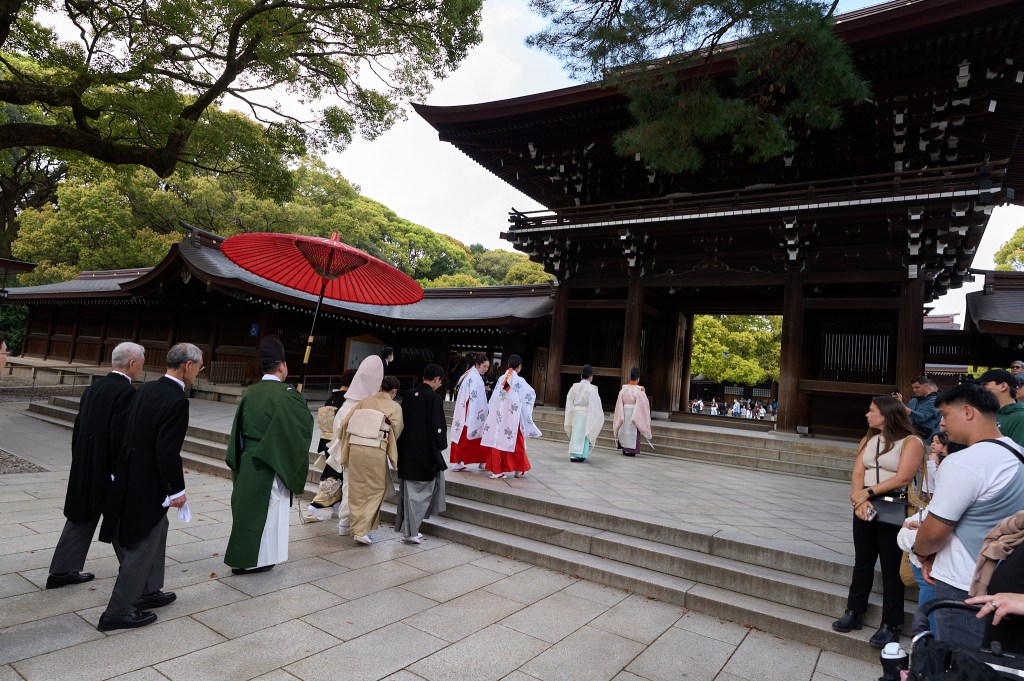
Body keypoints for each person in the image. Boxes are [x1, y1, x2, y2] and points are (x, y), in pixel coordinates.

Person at [97, 343, 202, 631]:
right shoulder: (177, 400)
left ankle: (148, 590)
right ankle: (117, 612)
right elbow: (167, 450)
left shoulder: (147, 389)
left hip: (129, 472)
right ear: (188, 365)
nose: (199, 372)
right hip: (148, 480)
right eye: (199, 366)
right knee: (143, 542)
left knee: (158, 530)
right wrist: (176, 491)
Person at [911, 383, 1024, 647]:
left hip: (964, 584)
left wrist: (921, 553)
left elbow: (933, 533)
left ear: (968, 412)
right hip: (1006, 580)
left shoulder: (963, 462)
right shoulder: (1017, 452)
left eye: (945, 415)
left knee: (962, 660)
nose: (941, 423)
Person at [47, 342, 145, 589]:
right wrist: (120, 472)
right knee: (123, 521)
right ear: (132, 363)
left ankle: (61, 570)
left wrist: (79, 459)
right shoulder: (126, 392)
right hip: (108, 468)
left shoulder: (94, 388)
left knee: (81, 516)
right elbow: (119, 437)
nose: (141, 368)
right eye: (141, 363)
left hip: (86, 462)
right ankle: (139, 579)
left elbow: (78, 428)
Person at [832, 395, 924, 648]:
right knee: (862, 561)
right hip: (865, 506)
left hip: (893, 507)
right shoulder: (868, 439)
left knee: (891, 568)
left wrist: (867, 493)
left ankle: (891, 623)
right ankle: (854, 611)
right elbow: (858, 472)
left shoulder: (911, 442)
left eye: (872, 411)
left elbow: (903, 477)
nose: (867, 414)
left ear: (886, 414)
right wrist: (859, 499)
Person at [224, 336, 314, 574]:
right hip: (271, 460)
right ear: (282, 366)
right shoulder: (287, 394)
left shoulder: (251, 392)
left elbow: (238, 429)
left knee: (247, 511)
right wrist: (299, 403)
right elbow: (301, 428)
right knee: (268, 513)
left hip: (247, 459)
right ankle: (256, 561)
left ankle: (241, 559)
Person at [335, 375, 404, 545]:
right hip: (375, 449)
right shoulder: (395, 407)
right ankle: (361, 530)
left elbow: (345, 423)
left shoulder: (365, 401)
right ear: (394, 391)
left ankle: (354, 527)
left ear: (380, 387)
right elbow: (396, 430)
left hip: (355, 447)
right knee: (376, 489)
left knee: (356, 488)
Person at [326, 355, 385, 536]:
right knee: (364, 490)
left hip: (349, 451)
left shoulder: (348, 404)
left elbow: (338, 430)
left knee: (349, 485)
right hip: (365, 451)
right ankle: (357, 526)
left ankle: (345, 523)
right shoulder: (369, 406)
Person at [395, 363, 448, 544]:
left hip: (407, 450)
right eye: (440, 381)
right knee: (421, 493)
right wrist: (441, 445)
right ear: (437, 379)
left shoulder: (409, 395)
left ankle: (409, 530)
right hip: (425, 452)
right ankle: (411, 532)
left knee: (408, 492)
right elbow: (438, 426)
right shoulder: (434, 398)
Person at [305, 367, 358, 522]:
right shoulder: (347, 401)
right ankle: (315, 506)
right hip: (338, 442)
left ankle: (336, 506)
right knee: (334, 475)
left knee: (335, 473)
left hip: (327, 441)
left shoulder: (332, 398)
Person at [481, 354, 541, 479]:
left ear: (508, 364)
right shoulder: (519, 381)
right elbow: (530, 395)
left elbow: (494, 398)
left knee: (496, 441)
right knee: (517, 442)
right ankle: (518, 469)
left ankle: (497, 470)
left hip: (498, 416)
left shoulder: (501, 378)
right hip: (512, 417)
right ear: (519, 366)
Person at [449, 354, 490, 471]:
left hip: (468, 409)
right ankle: (476, 461)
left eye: (487, 367)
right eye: (484, 366)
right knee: (469, 435)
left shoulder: (470, 374)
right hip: (471, 410)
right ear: (477, 365)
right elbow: (475, 398)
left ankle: (482, 460)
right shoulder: (474, 377)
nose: (486, 369)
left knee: (468, 435)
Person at [973, 368, 1024, 447]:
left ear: (1003, 386)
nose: (980, 389)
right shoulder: (986, 414)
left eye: (984, 385)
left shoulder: (1020, 417)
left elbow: (1020, 452)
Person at [563, 364, 604, 462]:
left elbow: (569, 402)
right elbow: (595, 406)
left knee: (575, 434)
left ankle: (574, 454)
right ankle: (580, 455)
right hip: (585, 414)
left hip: (575, 413)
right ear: (591, 377)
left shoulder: (574, 387)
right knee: (584, 433)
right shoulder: (591, 389)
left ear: (581, 376)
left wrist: (570, 414)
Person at [613, 367, 652, 457]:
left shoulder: (623, 390)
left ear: (630, 377)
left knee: (624, 429)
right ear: (638, 378)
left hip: (624, 411)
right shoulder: (639, 391)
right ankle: (630, 450)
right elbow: (643, 406)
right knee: (632, 430)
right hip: (635, 412)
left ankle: (624, 448)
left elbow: (619, 404)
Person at [894, 375, 940, 441]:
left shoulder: (935, 400)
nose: (914, 390)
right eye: (913, 388)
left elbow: (923, 416)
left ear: (926, 386)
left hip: (928, 440)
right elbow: (905, 415)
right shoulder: (913, 400)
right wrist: (898, 403)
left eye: (917, 387)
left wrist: (902, 407)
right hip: (911, 436)